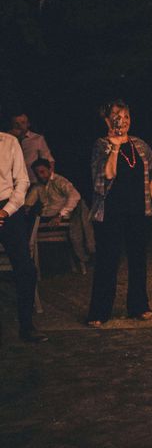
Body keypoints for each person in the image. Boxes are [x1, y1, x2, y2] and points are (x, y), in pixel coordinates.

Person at [86, 100, 152, 327]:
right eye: (118, 117)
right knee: (107, 262)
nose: (124, 121)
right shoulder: (101, 144)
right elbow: (107, 175)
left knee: (138, 259)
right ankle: (99, 312)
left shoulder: (139, 144)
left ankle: (138, 306)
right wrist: (116, 146)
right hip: (111, 212)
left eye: (127, 116)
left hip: (137, 210)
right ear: (109, 120)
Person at [0, 121, 48, 343]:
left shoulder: (8, 142)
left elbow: (22, 181)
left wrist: (5, 212)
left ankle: (26, 326)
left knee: (26, 269)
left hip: (8, 208)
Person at [25, 157, 95, 271]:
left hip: (60, 219)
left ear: (50, 169)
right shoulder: (38, 186)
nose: (40, 175)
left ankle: (86, 257)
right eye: (37, 173)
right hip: (44, 220)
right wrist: (26, 209)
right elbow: (27, 204)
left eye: (42, 172)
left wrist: (59, 215)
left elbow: (75, 196)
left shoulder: (59, 181)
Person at [8, 111, 55, 182]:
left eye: (23, 123)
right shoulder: (6, 140)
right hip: (12, 180)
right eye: (16, 123)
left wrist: (50, 180)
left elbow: (48, 160)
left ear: (28, 124)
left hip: (32, 179)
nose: (19, 126)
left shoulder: (37, 139)